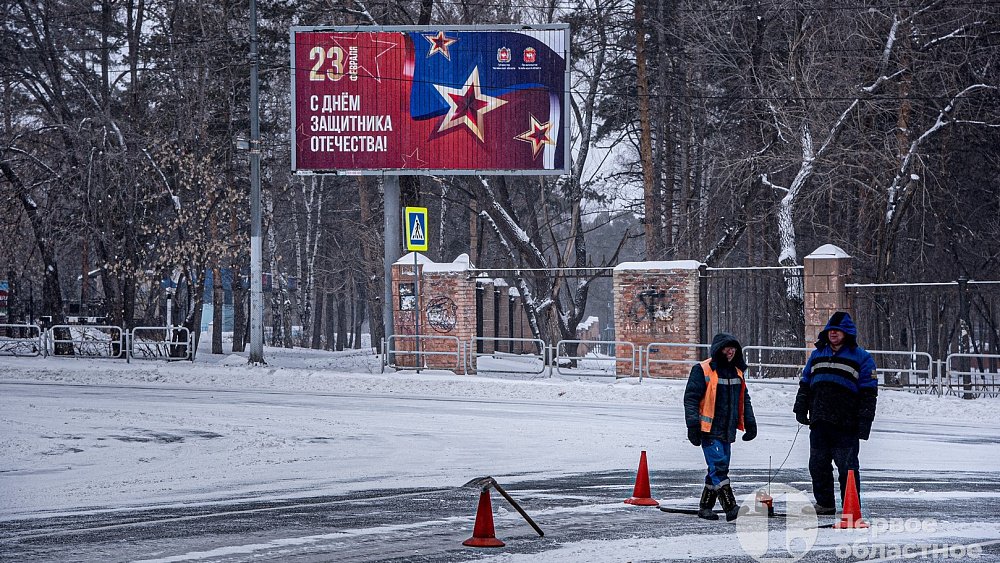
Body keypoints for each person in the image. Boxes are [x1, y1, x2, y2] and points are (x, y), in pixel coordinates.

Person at [793, 311, 877, 515]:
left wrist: (864, 422)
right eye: (831, 330)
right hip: (820, 421)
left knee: (847, 468)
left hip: (846, 424)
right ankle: (825, 503)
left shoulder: (862, 358)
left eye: (838, 331)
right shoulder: (817, 355)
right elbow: (805, 383)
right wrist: (800, 407)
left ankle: (851, 506)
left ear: (847, 334)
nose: (833, 334)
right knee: (817, 465)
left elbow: (869, 394)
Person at [684, 332, 757, 521]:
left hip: (727, 430)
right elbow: (691, 399)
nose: (730, 351)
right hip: (708, 430)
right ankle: (730, 507)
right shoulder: (703, 369)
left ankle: (705, 507)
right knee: (719, 467)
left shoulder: (737, 371)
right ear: (718, 349)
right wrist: (693, 426)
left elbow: (744, 400)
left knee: (716, 469)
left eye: (733, 348)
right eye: (727, 348)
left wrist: (750, 422)